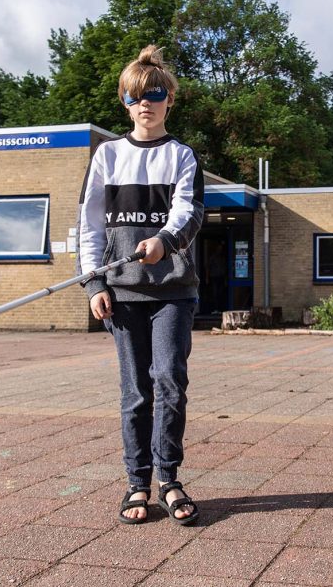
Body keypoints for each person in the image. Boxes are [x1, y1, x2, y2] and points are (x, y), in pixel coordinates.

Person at [77, 45, 204, 525]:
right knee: (136, 392)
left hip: (173, 290)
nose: (144, 103)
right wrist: (94, 286)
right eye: (135, 96)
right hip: (122, 291)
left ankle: (169, 478)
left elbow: (190, 213)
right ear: (125, 103)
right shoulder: (106, 157)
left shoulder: (181, 155)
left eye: (154, 94)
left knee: (170, 381)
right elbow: (89, 226)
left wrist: (165, 241)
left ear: (169, 99)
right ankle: (138, 484)